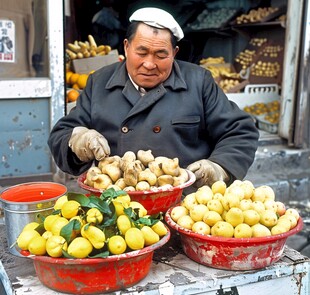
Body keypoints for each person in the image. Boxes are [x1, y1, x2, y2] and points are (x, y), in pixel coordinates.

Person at [48, 7, 259, 188]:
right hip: (117, 204)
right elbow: (60, 134)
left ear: (174, 53)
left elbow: (240, 131)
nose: (149, 64)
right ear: (126, 47)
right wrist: (77, 141)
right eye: (141, 52)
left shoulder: (198, 81)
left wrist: (219, 167)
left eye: (161, 55)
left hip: (183, 205)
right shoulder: (100, 82)